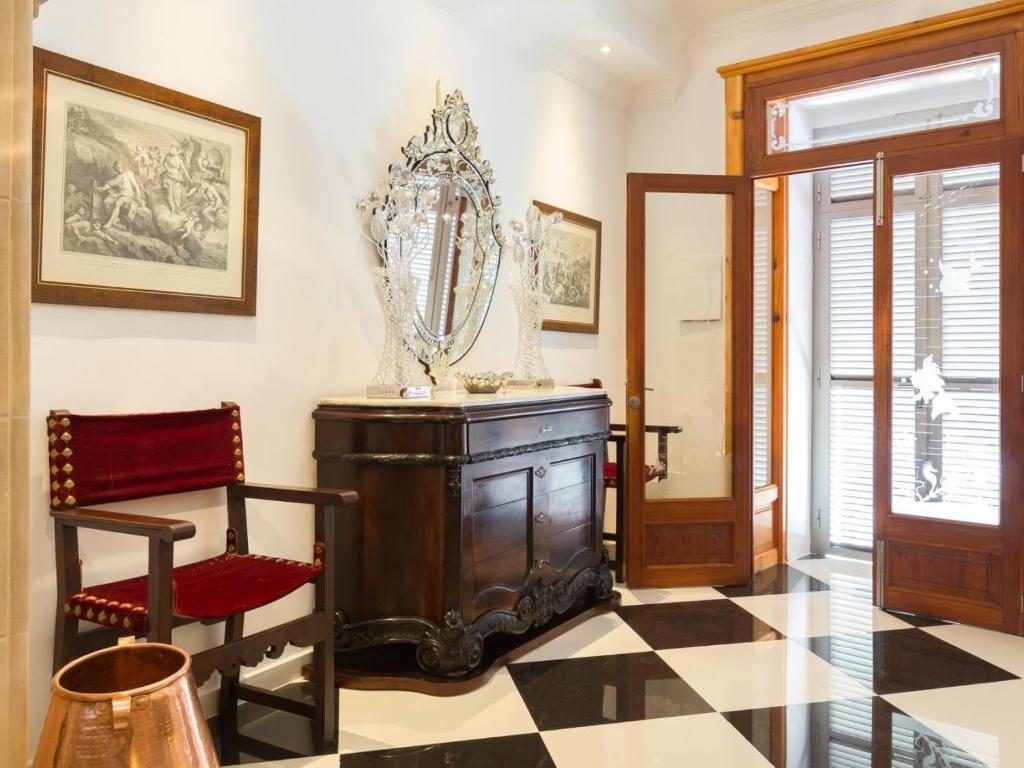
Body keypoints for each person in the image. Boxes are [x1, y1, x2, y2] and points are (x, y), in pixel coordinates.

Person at [97, 160, 147, 229]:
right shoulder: (116, 176)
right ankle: (116, 219)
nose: (117, 166)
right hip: (120, 194)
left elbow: (135, 186)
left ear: (122, 165)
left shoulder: (127, 173)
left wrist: (138, 197)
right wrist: (103, 188)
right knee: (107, 201)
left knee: (118, 202)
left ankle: (110, 223)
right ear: (115, 168)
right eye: (116, 166)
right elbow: (111, 184)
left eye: (119, 165)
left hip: (129, 195)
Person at [161, 145, 193, 214]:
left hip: (177, 177)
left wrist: (189, 179)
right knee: (169, 194)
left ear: (176, 151)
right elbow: (164, 164)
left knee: (177, 194)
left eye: (172, 149)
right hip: (169, 176)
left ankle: (178, 209)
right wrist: (167, 169)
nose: (170, 150)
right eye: (170, 149)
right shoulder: (168, 157)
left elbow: (184, 170)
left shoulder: (179, 160)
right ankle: (172, 208)